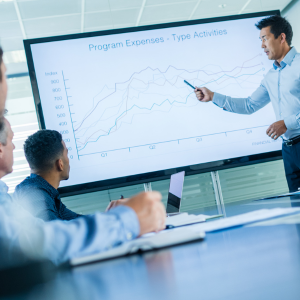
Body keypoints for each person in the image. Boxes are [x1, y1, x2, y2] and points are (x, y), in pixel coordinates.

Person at [0, 46, 166, 265]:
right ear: (60, 162)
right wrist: (127, 220)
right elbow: (40, 244)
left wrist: (111, 218)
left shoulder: (41, 193)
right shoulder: (34, 193)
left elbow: (67, 226)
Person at [194, 15, 300, 192]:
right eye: (260, 40)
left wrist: (286, 123)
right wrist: (212, 96)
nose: (262, 45)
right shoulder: (271, 77)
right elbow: (249, 105)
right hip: (289, 151)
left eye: (265, 39)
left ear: (281, 38)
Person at [14, 130, 82, 221]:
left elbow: (76, 222)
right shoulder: (35, 195)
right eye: (67, 154)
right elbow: (54, 232)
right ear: (60, 164)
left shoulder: (45, 191)